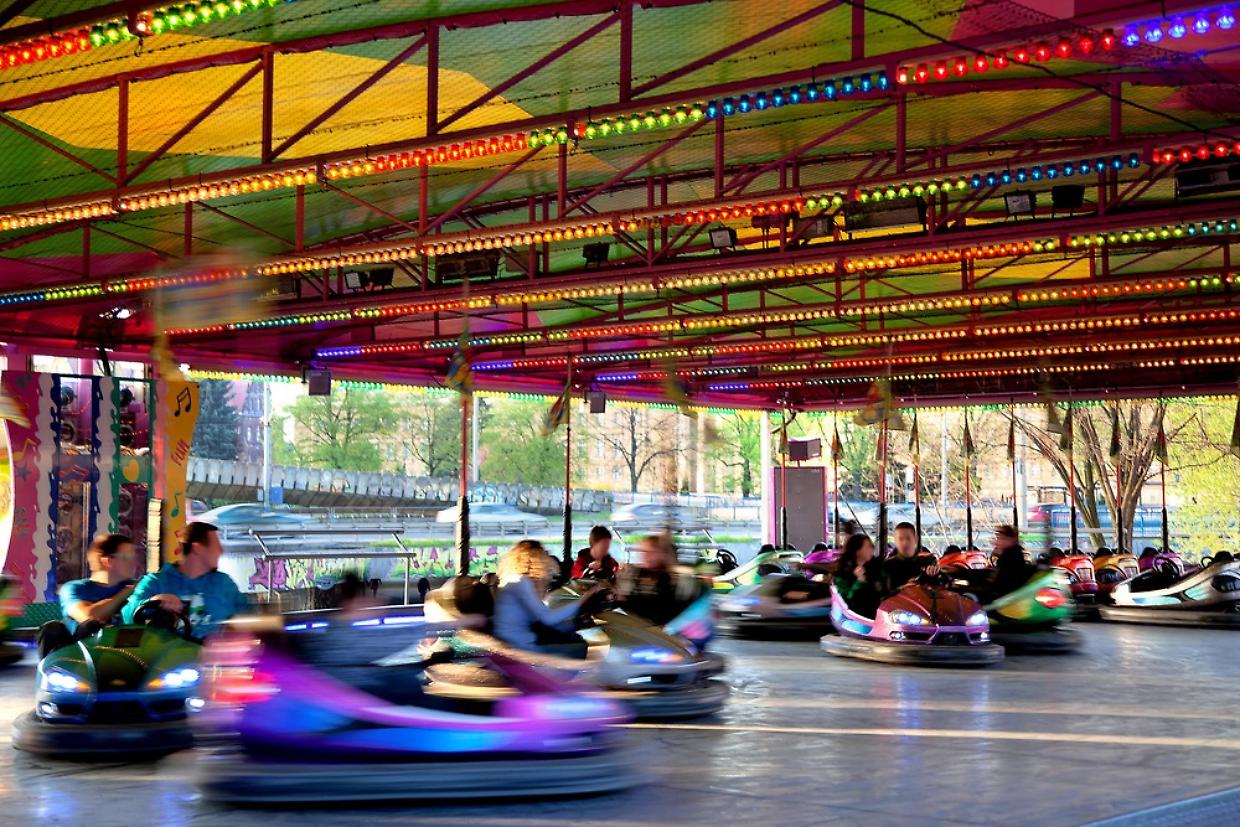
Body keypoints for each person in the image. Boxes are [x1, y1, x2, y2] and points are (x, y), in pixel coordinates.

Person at [122, 522, 248, 637]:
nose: (221, 551)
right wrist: (154, 601)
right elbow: (127, 615)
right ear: (197, 548)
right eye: (216, 546)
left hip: (215, 653)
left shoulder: (224, 583)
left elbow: (248, 615)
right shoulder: (156, 582)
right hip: (170, 653)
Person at [494, 540, 600, 658]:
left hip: (513, 643)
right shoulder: (521, 582)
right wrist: (584, 599)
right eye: (543, 554)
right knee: (585, 650)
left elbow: (546, 620)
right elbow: (548, 619)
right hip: (520, 648)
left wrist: (577, 624)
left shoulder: (515, 580)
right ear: (536, 557)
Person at [37, 533, 138, 657]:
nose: (134, 563)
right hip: (82, 657)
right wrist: (126, 593)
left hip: (126, 653)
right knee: (53, 629)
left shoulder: (139, 588)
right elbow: (88, 616)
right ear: (107, 561)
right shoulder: (75, 588)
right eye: (127, 558)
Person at [616, 534, 698, 625]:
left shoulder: (675, 579)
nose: (644, 556)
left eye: (650, 552)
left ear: (663, 554)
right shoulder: (640, 573)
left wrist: (623, 600)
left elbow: (659, 609)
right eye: (643, 552)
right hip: (641, 626)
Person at [880, 522, 939, 593]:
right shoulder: (887, 565)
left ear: (915, 539)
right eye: (901, 539)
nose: (905, 543)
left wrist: (933, 574)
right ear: (895, 541)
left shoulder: (928, 560)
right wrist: (903, 588)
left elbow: (940, 586)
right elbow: (882, 593)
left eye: (908, 538)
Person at [832, 534, 881, 618]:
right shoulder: (842, 573)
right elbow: (846, 601)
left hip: (876, 615)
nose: (871, 550)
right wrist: (859, 581)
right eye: (868, 547)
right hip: (854, 618)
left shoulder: (874, 568)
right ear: (857, 550)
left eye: (872, 546)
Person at [991, 524, 1032, 596]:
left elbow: (1001, 585)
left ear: (1010, 540)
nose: (996, 542)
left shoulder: (1010, 558)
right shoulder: (1013, 554)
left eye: (1000, 538)